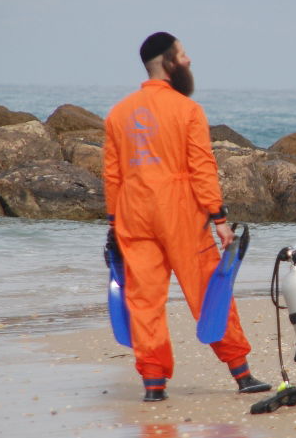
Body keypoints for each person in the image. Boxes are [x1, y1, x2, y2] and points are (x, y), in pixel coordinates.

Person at [102, 32, 270, 402]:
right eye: (183, 53)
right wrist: (219, 218)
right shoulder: (187, 110)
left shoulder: (118, 113)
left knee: (144, 301)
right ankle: (242, 376)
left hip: (132, 214)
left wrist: (114, 225)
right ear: (168, 62)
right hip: (179, 212)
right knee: (210, 292)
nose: (189, 60)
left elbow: (112, 175)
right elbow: (201, 167)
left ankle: (153, 385)